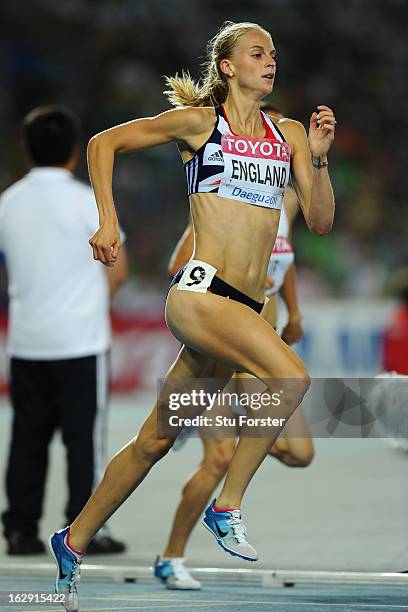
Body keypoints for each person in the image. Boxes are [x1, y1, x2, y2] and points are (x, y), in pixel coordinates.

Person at [49, 21, 335, 612]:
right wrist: (106, 221)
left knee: (155, 439)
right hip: (203, 294)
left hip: (244, 308)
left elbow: (322, 221)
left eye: (274, 54)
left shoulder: (288, 134)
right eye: (257, 53)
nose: (270, 61)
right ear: (227, 66)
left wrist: (322, 160)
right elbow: (103, 144)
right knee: (290, 379)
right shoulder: (203, 124)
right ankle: (226, 506)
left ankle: (72, 539)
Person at [155, 122, 314, 589]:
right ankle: (171, 556)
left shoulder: (284, 205)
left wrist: (294, 309)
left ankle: (196, 418)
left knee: (299, 452)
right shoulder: (224, 199)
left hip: (260, 347)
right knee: (218, 458)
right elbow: (176, 267)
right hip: (222, 342)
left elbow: (281, 258)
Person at [0, 106, 128, 556]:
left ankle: (20, 528)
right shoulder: (88, 202)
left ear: (27, 148)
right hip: (80, 341)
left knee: (27, 439)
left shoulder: (8, 203)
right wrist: (92, 304)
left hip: (27, 342)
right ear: (76, 152)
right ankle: (85, 527)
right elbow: (118, 270)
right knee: (83, 441)